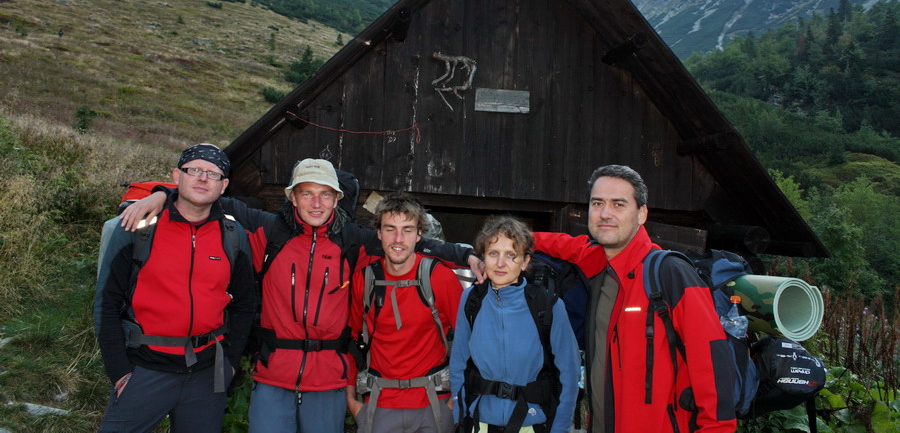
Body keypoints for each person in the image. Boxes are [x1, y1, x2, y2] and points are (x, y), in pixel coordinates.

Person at [121, 158, 481, 433]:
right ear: (292, 196)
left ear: (337, 199)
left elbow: (407, 243)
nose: (315, 202)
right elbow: (204, 197)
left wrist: (465, 254)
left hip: (328, 379)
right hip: (272, 372)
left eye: (325, 194)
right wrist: (161, 193)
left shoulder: (352, 240)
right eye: (306, 193)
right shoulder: (269, 229)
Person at [532, 165, 737, 433]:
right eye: (598, 203)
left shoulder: (670, 274)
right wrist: (499, 247)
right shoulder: (596, 261)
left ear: (641, 213)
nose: (605, 214)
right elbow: (560, 244)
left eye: (619, 204)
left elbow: (714, 366)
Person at [94, 143, 255, 433]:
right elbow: (107, 302)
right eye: (194, 170)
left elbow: (245, 303)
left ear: (224, 186)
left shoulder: (233, 236)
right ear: (176, 176)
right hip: (144, 370)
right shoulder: (140, 227)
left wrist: (230, 364)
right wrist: (120, 372)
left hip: (207, 375)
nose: (203, 178)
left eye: (213, 173)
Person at [451, 216, 580, 433]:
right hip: (480, 422)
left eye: (511, 255)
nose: (500, 264)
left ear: (525, 262)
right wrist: (460, 417)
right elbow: (458, 364)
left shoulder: (548, 305)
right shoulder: (472, 301)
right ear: (483, 257)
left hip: (531, 423)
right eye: (493, 254)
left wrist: (559, 429)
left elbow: (569, 374)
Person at [346, 193, 463, 433]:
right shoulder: (364, 280)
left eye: (407, 230)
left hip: (433, 405)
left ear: (419, 235)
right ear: (378, 233)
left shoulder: (439, 277)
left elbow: (469, 342)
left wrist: (453, 404)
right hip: (378, 405)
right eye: (390, 229)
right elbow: (350, 341)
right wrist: (352, 403)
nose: (398, 239)